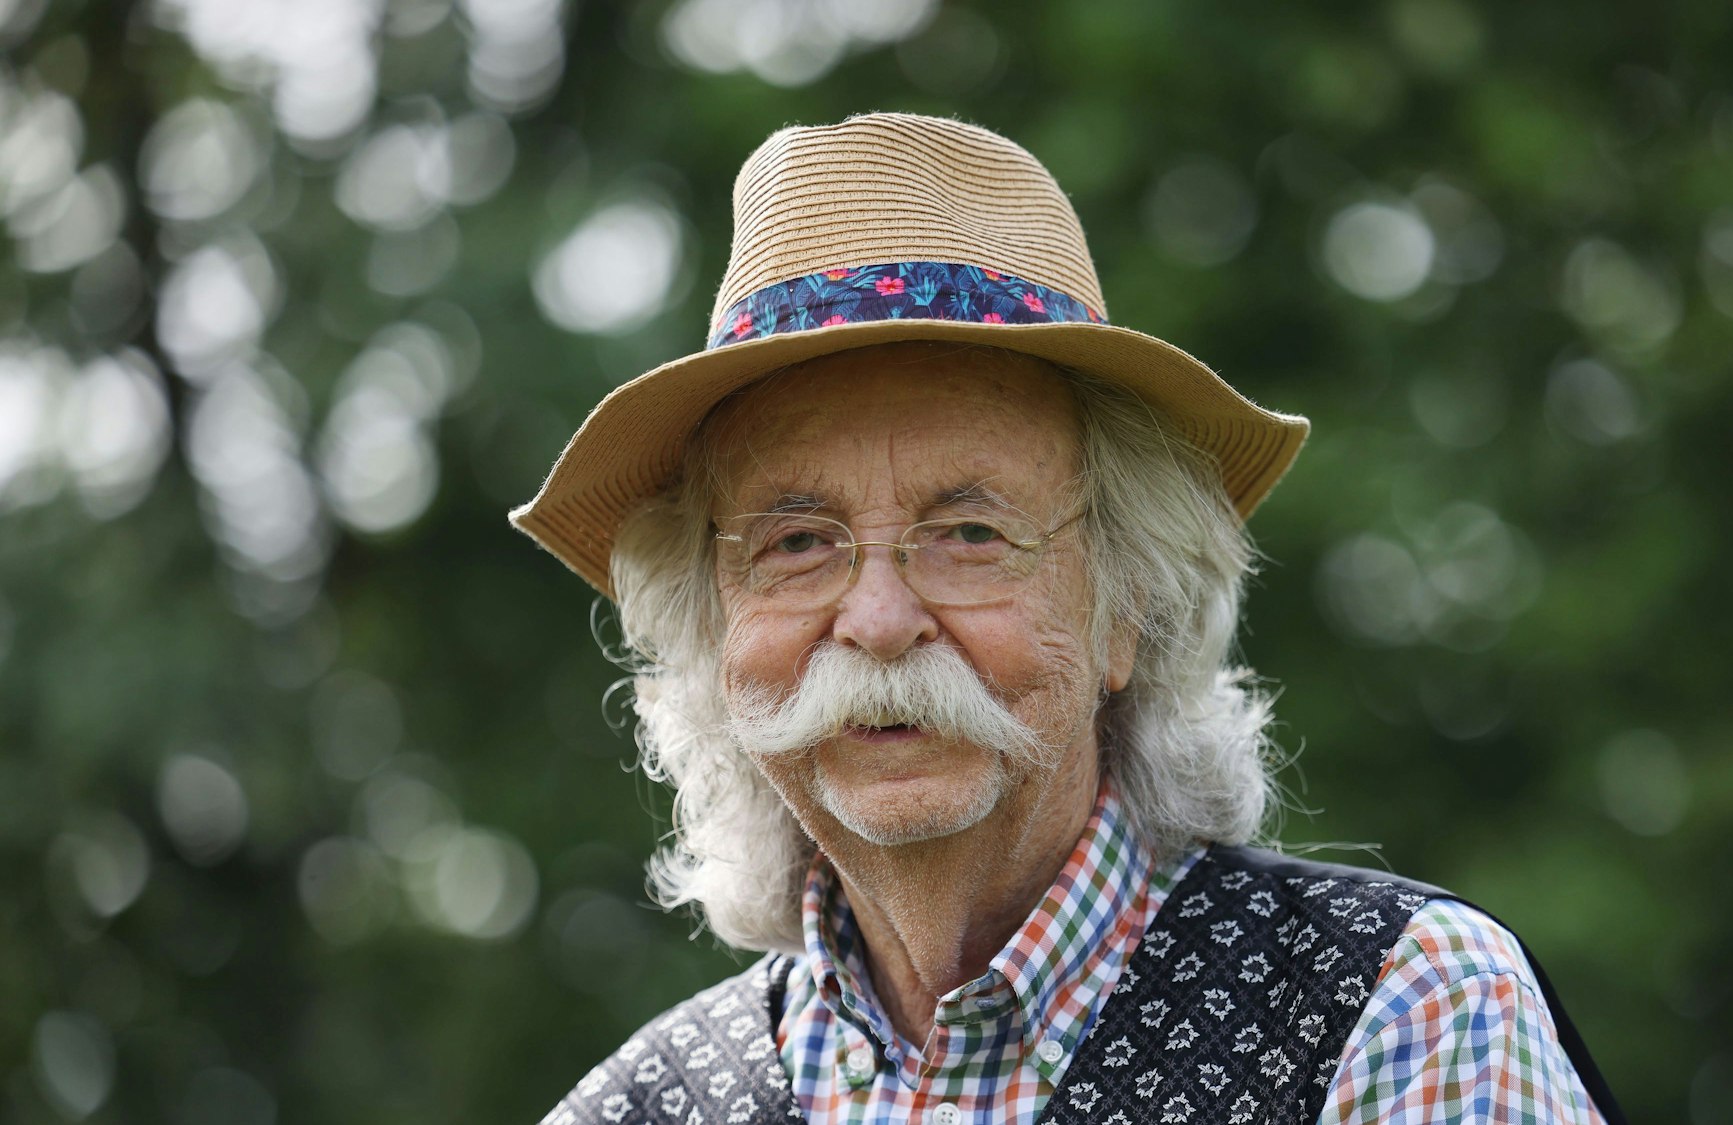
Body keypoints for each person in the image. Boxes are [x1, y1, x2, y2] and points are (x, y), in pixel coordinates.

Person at [516, 113, 1623, 1125]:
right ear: (715, 637)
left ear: (1124, 612)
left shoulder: (1399, 1014)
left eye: (971, 534)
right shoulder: (636, 1112)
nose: (880, 619)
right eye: (796, 544)